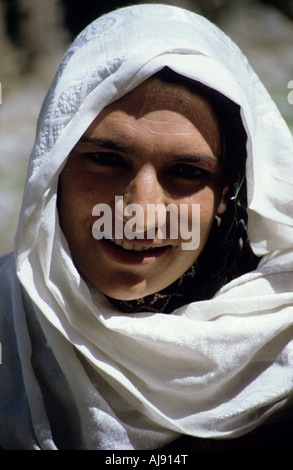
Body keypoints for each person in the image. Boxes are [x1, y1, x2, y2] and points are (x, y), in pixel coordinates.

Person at [0, 3, 292, 451]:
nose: (140, 212)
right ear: (53, 168)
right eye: (106, 160)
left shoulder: (277, 348)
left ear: (227, 193)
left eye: (187, 173)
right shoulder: (8, 326)